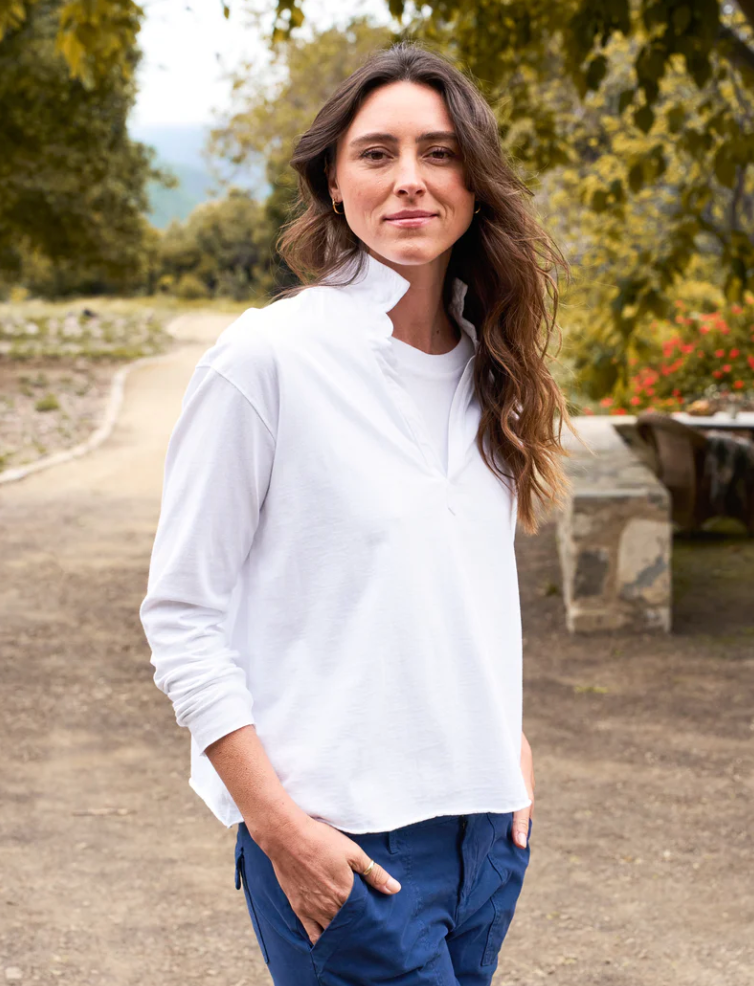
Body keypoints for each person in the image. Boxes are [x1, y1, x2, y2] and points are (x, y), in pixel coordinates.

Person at [139, 40, 575, 986]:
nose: (410, 179)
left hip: (488, 833)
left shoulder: (490, 368)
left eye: (440, 151)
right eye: (377, 154)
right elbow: (181, 617)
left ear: (475, 181)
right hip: (346, 843)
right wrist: (280, 828)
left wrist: (512, 748)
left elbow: (457, 593)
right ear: (334, 182)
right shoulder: (266, 364)